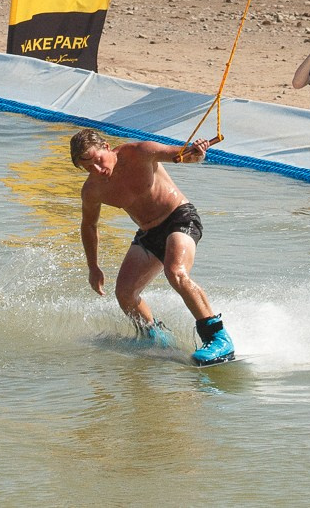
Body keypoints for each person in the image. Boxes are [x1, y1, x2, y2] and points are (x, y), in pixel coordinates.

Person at [69, 129, 234, 366]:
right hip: (149, 232)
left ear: (106, 147)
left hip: (180, 218)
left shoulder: (140, 152)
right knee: (125, 292)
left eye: (97, 161)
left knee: (175, 271)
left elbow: (184, 155)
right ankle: (156, 337)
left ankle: (218, 337)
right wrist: (93, 266)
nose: (97, 170)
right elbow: (89, 225)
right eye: (87, 167)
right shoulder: (93, 190)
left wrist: (197, 152)